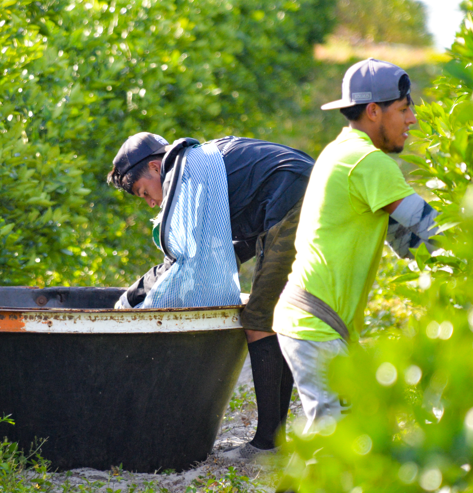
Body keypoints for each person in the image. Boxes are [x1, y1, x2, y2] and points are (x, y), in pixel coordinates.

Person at [107, 132, 315, 459]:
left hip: (296, 196)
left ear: (153, 165)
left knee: (261, 318)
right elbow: (216, 250)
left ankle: (267, 444)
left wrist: (130, 297)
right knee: (274, 316)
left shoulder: (186, 176)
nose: (150, 202)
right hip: (298, 191)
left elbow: (182, 259)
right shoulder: (196, 164)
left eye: (144, 192)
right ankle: (274, 440)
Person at [273, 58, 439, 433]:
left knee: (361, 438)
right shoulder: (367, 162)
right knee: (338, 447)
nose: (412, 119)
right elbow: (433, 229)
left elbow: (407, 241)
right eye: (404, 108)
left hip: (319, 324)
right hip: (316, 326)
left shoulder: (340, 152)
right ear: (373, 111)